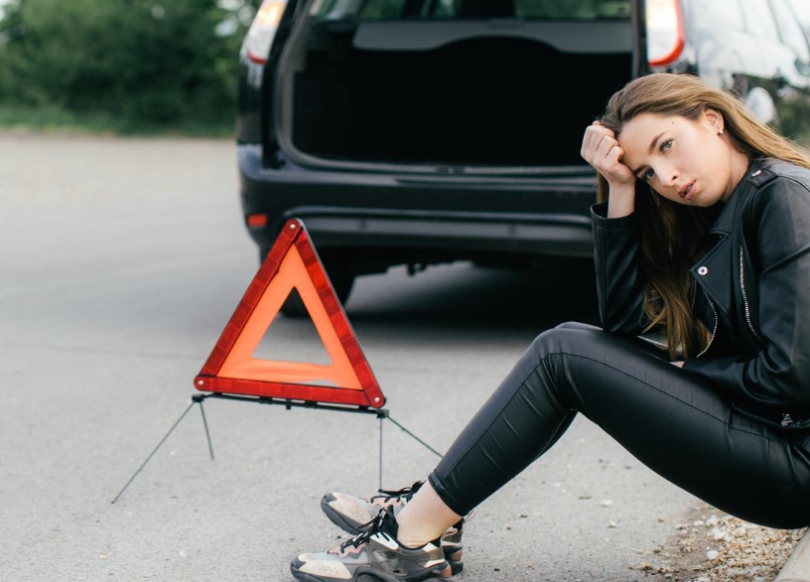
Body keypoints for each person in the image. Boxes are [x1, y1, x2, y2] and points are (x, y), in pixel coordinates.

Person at [290, 73, 810, 582]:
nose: (667, 177)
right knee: (568, 350)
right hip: (770, 436)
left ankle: (408, 540)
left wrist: (685, 368)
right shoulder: (726, 206)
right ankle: (429, 515)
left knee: (562, 354)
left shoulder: (784, 199)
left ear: (713, 119)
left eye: (667, 145)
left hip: (794, 461)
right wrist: (620, 189)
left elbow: (791, 377)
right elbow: (624, 330)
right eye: (649, 172)